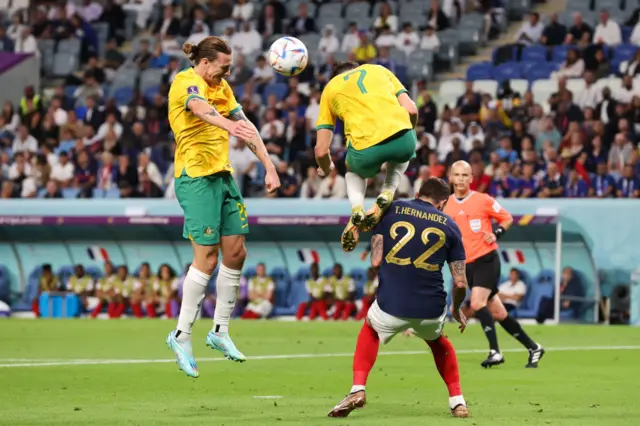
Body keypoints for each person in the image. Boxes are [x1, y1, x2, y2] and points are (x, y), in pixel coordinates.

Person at [165, 36, 281, 378]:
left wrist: (269, 165)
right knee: (207, 257)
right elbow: (200, 109)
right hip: (195, 177)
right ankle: (182, 336)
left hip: (222, 175)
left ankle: (219, 331)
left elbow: (247, 126)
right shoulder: (185, 83)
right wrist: (230, 126)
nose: (227, 73)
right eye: (224, 67)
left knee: (236, 252)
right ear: (205, 64)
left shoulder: (224, 88)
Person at [327, 178, 469, 419]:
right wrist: (456, 310)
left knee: (370, 328)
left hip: (391, 304)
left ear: (417, 192)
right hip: (431, 308)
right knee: (439, 342)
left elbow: (375, 260)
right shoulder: (451, 226)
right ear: (443, 202)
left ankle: (357, 389)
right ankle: (458, 402)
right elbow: (460, 282)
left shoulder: (392, 209)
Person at [443, 161, 544, 368]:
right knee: (498, 313)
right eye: (457, 175)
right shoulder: (446, 205)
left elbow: (506, 219)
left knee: (477, 304)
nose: (461, 179)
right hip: (466, 265)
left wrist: (496, 233)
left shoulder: (483, 200)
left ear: (472, 178)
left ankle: (495, 352)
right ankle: (534, 347)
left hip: (486, 259)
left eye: (465, 175)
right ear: (451, 178)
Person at [315, 61, 418, 253]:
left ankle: (356, 210)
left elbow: (321, 150)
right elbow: (411, 109)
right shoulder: (379, 69)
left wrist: (326, 168)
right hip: (401, 137)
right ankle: (387, 191)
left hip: (365, 150)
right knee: (403, 154)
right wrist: (410, 133)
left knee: (353, 173)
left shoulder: (330, 89)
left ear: (336, 77)